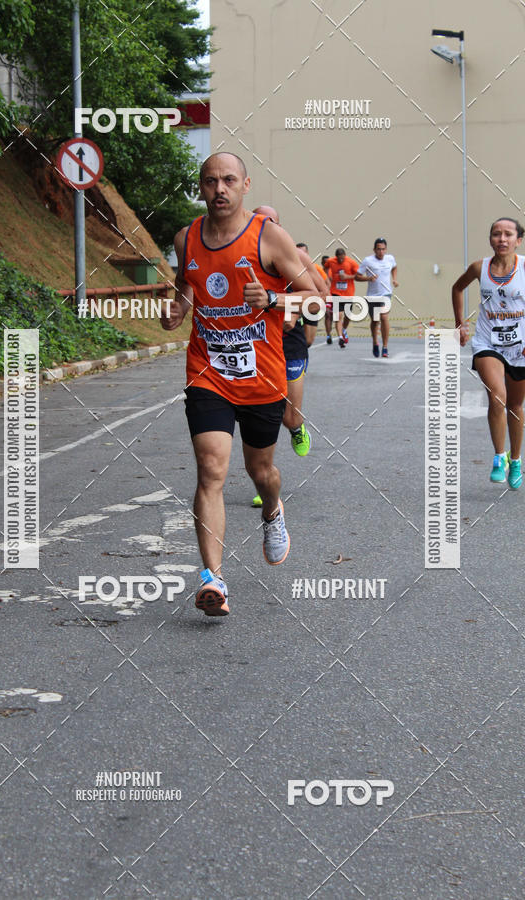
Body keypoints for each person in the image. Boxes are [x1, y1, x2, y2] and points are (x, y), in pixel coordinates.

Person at [161, 153, 315, 616]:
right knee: (211, 469)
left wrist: (272, 297)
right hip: (208, 372)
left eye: (229, 180)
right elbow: (185, 289)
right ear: (201, 187)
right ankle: (213, 578)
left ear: (246, 185)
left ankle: (272, 510)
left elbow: (317, 299)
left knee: (260, 471)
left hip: (262, 377)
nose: (220, 189)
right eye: (210, 181)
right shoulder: (186, 238)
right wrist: (177, 311)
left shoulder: (269, 237)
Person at [248, 209, 324, 508]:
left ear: (278, 225)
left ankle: (296, 427)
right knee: (261, 415)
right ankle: (263, 480)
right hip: (255, 343)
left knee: (289, 415)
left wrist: (293, 311)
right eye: (257, 220)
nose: (262, 226)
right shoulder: (242, 254)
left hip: (289, 343)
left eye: (269, 221)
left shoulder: (295, 256)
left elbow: (321, 296)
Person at [452, 217, 525, 489]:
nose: (502, 239)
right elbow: (457, 287)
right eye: (496, 234)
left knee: (515, 406)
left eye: (508, 234)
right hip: (487, 343)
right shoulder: (479, 268)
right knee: (497, 397)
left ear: (518, 240)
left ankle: (517, 459)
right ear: (490, 239)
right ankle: (499, 456)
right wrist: (460, 325)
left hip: (522, 347)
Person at [356, 238, 398, 358]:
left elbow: (394, 267)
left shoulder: (390, 258)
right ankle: (375, 342)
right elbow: (357, 277)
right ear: (374, 249)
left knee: (384, 316)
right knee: (375, 321)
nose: (381, 252)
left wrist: (394, 279)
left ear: (386, 249)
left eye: (383, 249)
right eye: (378, 249)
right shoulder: (368, 261)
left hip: (386, 293)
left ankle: (385, 347)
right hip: (372, 296)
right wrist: (368, 278)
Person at [325, 248, 360, 347]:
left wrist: (347, 277)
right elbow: (325, 267)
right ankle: (340, 337)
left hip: (348, 294)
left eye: (342, 258)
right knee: (338, 316)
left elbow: (358, 275)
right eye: (339, 259)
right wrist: (327, 277)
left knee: (348, 315)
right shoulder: (331, 261)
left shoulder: (351, 263)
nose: (340, 260)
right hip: (336, 293)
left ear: (345, 255)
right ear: (336, 257)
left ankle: (344, 329)